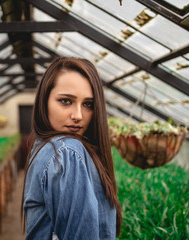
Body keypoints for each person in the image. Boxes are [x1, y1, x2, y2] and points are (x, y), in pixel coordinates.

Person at [22, 56, 122, 239]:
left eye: (88, 104)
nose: (78, 115)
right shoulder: (66, 151)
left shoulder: (43, 146)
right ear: (44, 101)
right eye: (66, 101)